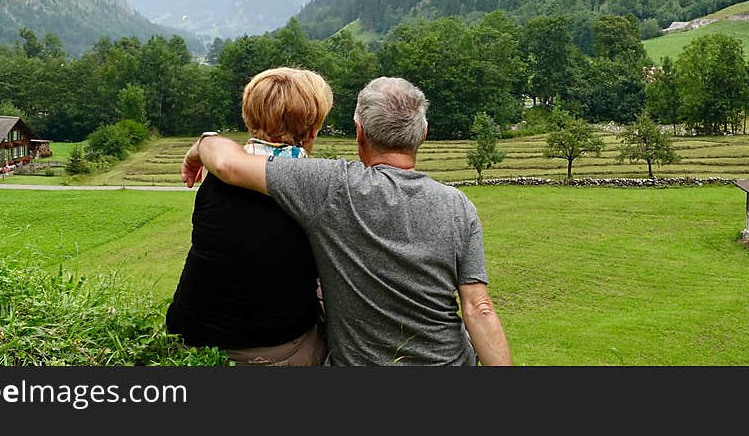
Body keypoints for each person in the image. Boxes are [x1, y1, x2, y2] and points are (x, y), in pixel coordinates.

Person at [182, 76, 512, 366]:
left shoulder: (332, 186)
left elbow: (228, 164)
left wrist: (202, 144)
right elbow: (479, 308)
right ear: (423, 134)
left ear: (359, 133)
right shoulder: (458, 205)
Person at [166, 67, 333, 365]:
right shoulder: (315, 186)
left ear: (249, 118)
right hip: (271, 349)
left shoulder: (216, 176)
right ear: (310, 131)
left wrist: (202, 144)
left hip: (186, 336)